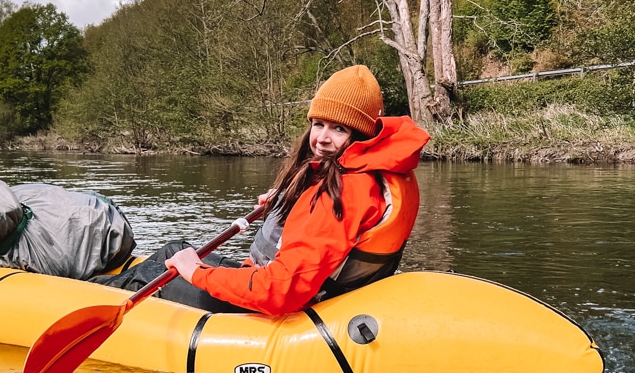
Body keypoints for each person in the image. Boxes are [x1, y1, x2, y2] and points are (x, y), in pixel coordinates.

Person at [158, 64, 431, 316]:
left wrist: (195, 272)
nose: (323, 138)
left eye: (339, 129)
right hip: (331, 297)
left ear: (361, 135)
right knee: (176, 250)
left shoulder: (340, 192)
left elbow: (279, 289)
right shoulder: (383, 172)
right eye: (318, 124)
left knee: (167, 262)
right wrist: (286, 205)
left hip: (291, 305)